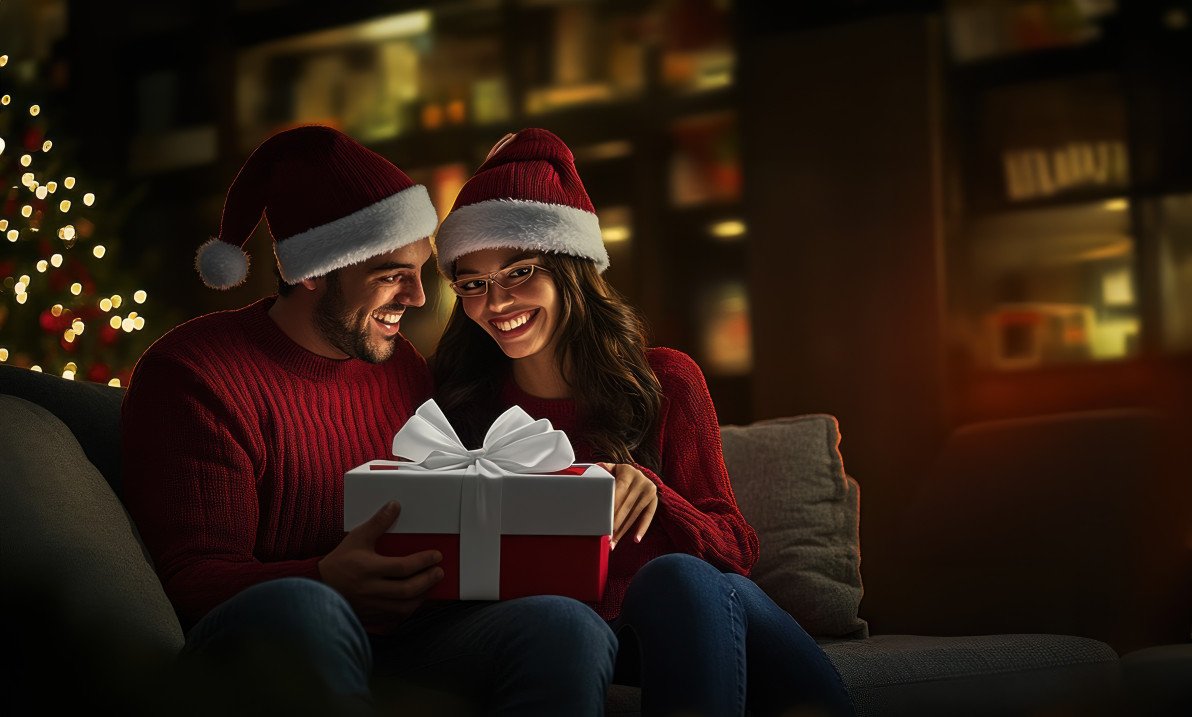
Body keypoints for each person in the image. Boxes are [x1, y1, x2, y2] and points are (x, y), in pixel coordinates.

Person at [122, 125, 616, 716]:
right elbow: (189, 578)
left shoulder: (400, 366)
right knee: (309, 606)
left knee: (566, 624)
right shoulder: (197, 373)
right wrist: (326, 576)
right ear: (312, 271)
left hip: (409, 634)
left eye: (419, 271)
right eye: (390, 275)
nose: (418, 298)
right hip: (275, 632)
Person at [429, 127, 854, 717]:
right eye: (472, 285)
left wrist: (652, 490)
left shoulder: (665, 380)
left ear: (570, 266)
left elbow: (736, 550)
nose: (496, 302)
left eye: (520, 270)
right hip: (584, 634)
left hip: (697, 615)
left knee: (676, 578)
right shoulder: (465, 410)